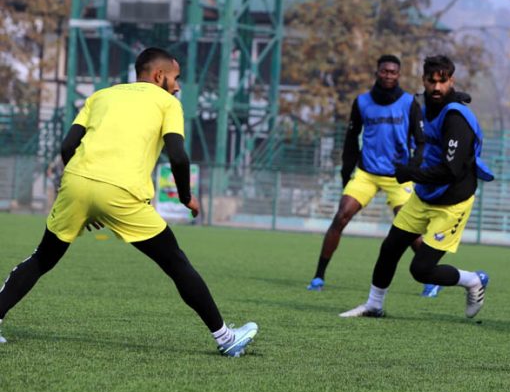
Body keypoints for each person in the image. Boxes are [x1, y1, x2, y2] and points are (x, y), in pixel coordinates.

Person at [0, 47, 258, 357]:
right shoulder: (167, 103)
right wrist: (187, 197)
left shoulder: (102, 96)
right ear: (159, 75)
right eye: (176, 78)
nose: (178, 86)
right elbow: (177, 154)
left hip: (76, 182)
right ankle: (226, 338)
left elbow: (68, 145)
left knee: (43, 258)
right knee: (175, 262)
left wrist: (82, 191)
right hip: (123, 193)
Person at [339, 55, 494, 319]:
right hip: (424, 196)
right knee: (390, 248)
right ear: (423, 80)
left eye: (442, 82)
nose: (436, 87)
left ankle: (473, 280)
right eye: (431, 81)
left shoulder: (457, 118)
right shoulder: (425, 105)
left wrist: (411, 172)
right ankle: (374, 305)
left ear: (451, 81)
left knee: (421, 270)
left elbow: (450, 170)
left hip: (452, 201)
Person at [307, 54, 440, 296]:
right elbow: (350, 139)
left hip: (398, 176)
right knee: (340, 217)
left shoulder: (409, 103)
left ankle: (430, 279)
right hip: (367, 173)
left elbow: (421, 142)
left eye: (393, 72)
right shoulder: (362, 102)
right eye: (384, 71)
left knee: (409, 229)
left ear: (398, 75)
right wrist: (346, 173)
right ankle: (318, 276)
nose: (388, 75)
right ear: (377, 72)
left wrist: (413, 167)